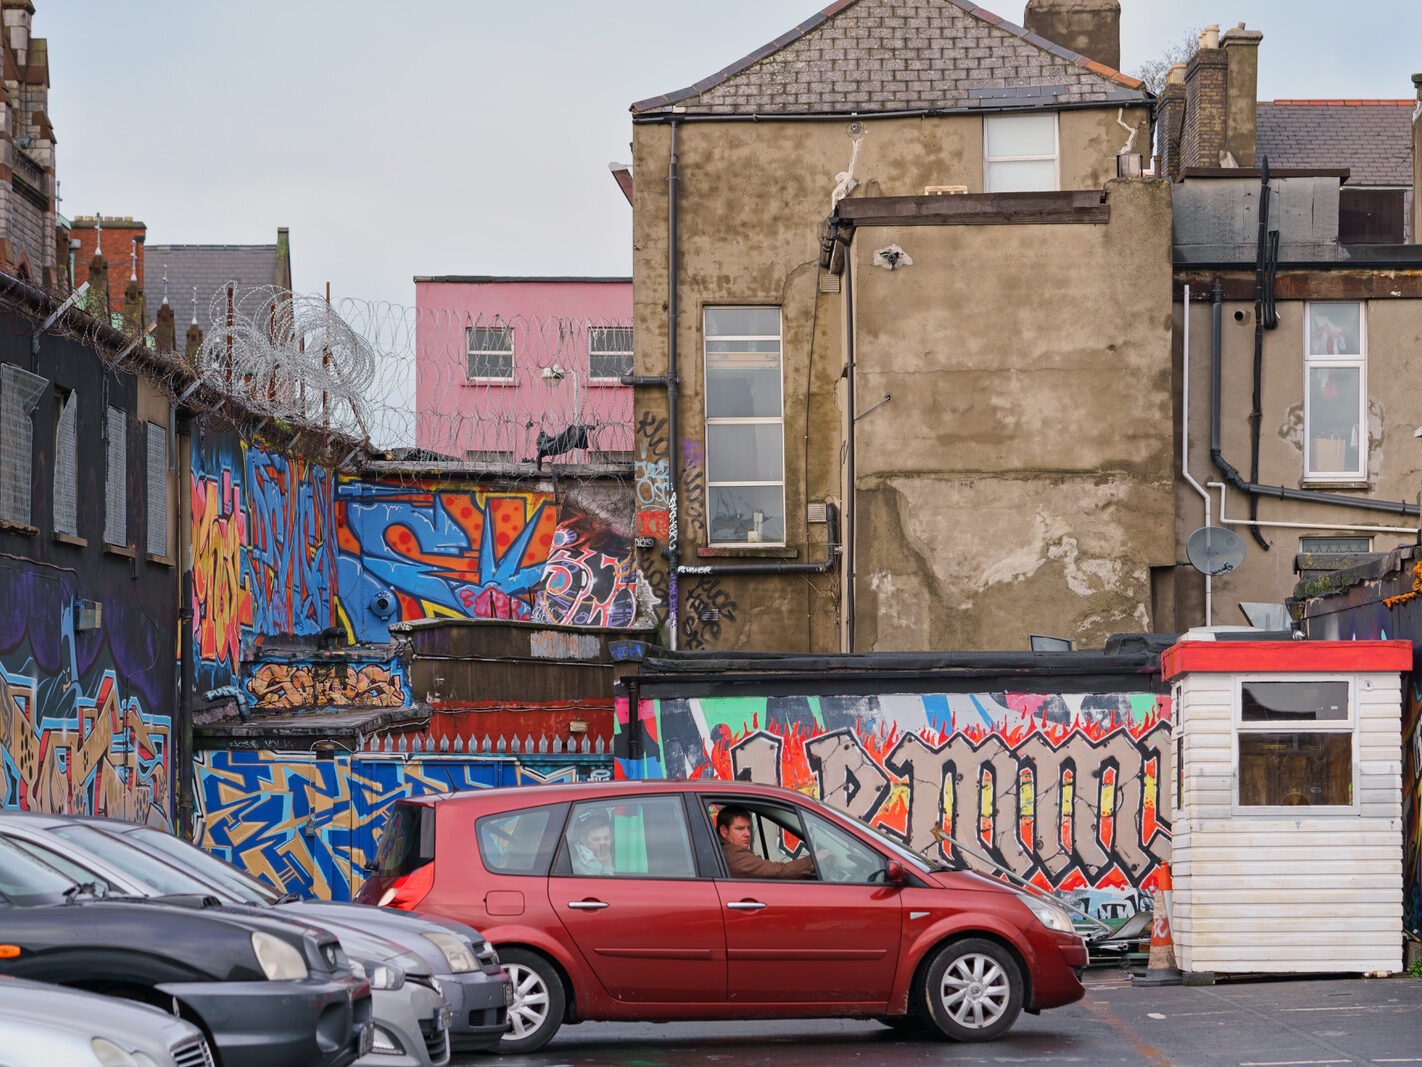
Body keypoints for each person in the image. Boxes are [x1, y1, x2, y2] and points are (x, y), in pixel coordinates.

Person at [716, 804, 814, 879]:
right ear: (724, 831)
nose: (748, 834)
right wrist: (813, 860)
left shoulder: (721, 851)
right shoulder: (733, 855)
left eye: (748, 828)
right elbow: (779, 871)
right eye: (740, 829)